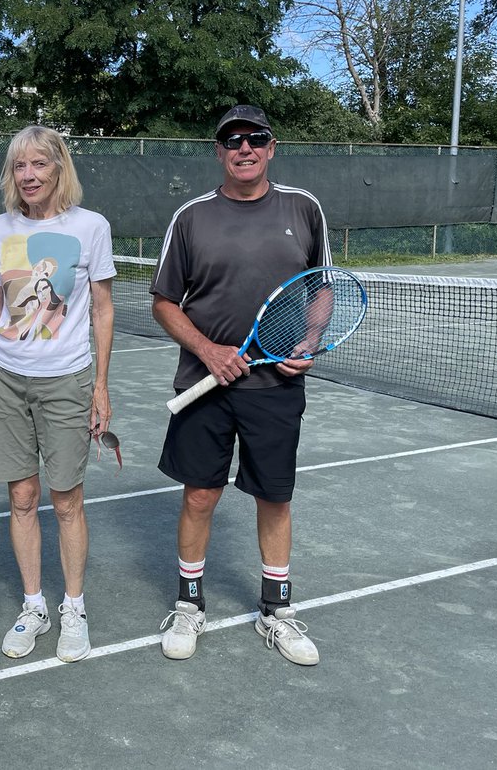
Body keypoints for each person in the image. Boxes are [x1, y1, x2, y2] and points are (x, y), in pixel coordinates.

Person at [150, 105, 330, 666]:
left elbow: (322, 287)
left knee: (274, 497)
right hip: (204, 383)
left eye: (256, 139)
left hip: (275, 387)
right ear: (219, 150)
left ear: (271, 148)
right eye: (232, 140)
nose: (244, 148)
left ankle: (276, 611)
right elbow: (162, 302)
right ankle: (188, 604)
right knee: (200, 494)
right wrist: (207, 350)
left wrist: (308, 340)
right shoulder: (191, 217)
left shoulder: (305, 209)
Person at [0, 125, 115, 663]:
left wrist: (100, 385)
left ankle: (72, 606)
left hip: (68, 381)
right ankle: (34, 604)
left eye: (39, 164)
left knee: (67, 500)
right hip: (8, 382)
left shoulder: (90, 227)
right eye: (19, 167)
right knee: (22, 499)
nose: (28, 175)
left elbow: (102, 308)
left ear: (59, 167)